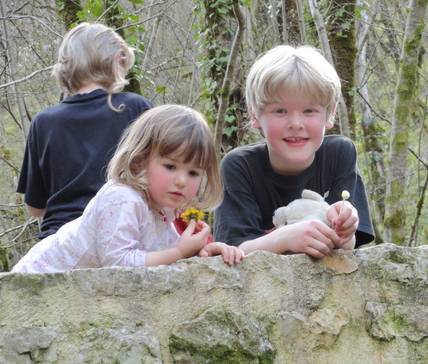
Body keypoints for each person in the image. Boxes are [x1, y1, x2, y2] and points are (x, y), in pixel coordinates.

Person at [12, 104, 244, 273]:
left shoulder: (165, 208)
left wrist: (204, 252)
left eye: (194, 172)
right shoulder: (122, 197)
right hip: (37, 282)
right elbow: (117, 263)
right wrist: (180, 252)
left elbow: (157, 257)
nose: (182, 181)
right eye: (170, 166)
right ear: (139, 160)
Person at [213, 45, 374, 258]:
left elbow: (346, 248)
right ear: (255, 116)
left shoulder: (339, 154)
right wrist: (285, 238)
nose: (296, 123)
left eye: (309, 111)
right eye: (280, 111)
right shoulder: (238, 167)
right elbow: (233, 250)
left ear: (330, 114)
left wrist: (346, 228)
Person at [17, 22, 153, 240]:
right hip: (125, 233)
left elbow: (35, 208)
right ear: (118, 59)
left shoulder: (43, 122)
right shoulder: (137, 108)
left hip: (61, 239)